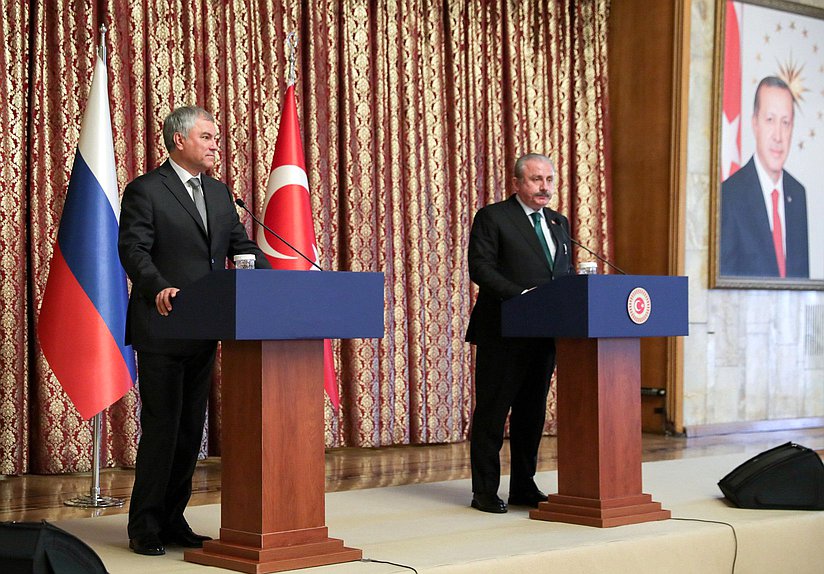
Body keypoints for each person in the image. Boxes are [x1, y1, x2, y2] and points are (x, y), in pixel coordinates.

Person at [118, 105, 270, 555]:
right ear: (179, 140)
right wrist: (159, 286)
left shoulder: (221, 194)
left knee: (190, 431)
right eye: (206, 137)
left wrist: (276, 278)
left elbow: (241, 249)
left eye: (215, 137)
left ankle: (172, 518)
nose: (214, 145)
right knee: (163, 428)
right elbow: (133, 250)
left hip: (205, 327)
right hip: (162, 325)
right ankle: (144, 525)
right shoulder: (146, 189)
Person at [465, 153, 574, 513]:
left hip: (544, 334)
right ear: (517, 183)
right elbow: (480, 267)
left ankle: (524, 486)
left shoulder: (558, 223)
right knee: (493, 414)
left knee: (532, 414)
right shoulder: (494, 217)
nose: (545, 187)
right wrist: (521, 296)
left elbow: (563, 273)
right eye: (536, 180)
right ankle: (484, 491)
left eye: (549, 180)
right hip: (504, 331)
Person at [720, 76, 809, 278]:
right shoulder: (729, 196)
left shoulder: (798, 195)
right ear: (755, 124)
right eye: (770, 120)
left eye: (785, 123)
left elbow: (801, 283)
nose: (778, 135)